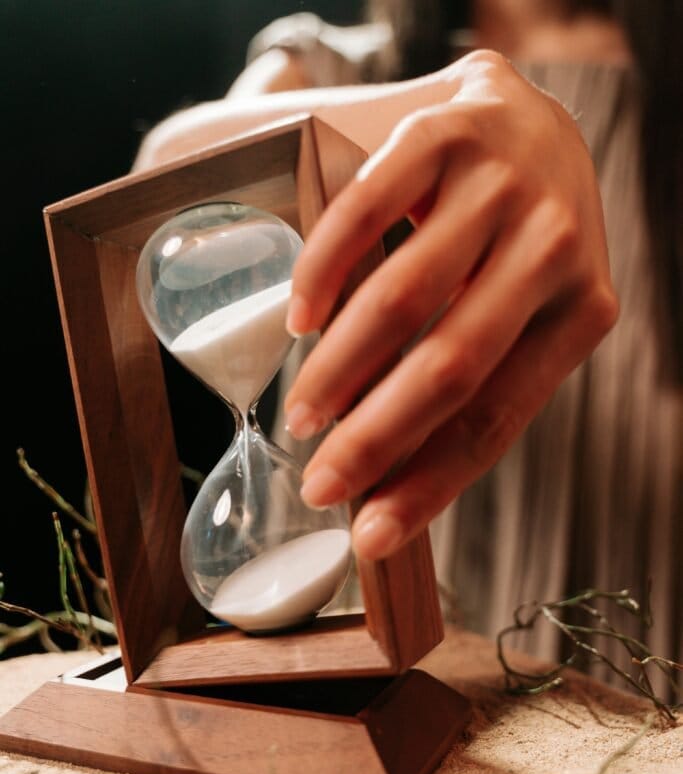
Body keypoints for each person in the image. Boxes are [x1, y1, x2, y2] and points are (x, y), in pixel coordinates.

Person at [132, 1, 681, 687]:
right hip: (361, 684)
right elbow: (160, 175)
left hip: (624, 683)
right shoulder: (338, 66)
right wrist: (442, 102)